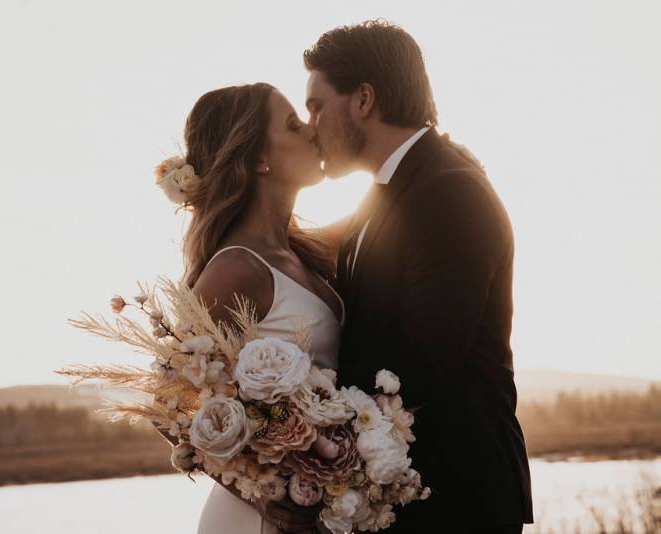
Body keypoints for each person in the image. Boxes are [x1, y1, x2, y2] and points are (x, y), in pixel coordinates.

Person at [300, 20, 534, 533]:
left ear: (364, 98)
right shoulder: (389, 192)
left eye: (317, 105)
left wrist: (295, 422)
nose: (310, 124)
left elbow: (422, 364)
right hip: (414, 495)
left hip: (458, 497)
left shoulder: (448, 190)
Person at [158, 83, 341, 533]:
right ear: (259, 158)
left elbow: (388, 208)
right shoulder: (237, 267)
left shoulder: (298, 253)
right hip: (255, 521)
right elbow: (170, 404)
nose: (313, 132)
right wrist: (256, 494)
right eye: (294, 126)